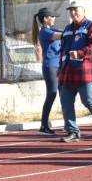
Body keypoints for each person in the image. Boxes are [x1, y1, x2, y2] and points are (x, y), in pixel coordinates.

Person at [57, 1, 92, 143]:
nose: (73, 13)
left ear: (84, 11)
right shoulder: (67, 29)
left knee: (89, 100)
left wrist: (80, 53)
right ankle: (73, 131)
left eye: (76, 10)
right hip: (67, 71)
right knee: (66, 101)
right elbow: (63, 50)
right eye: (71, 10)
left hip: (85, 71)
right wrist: (60, 67)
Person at [32, 7, 61, 135]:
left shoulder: (51, 29)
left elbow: (62, 32)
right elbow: (61, 35)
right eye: (52, 16)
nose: (54, 19)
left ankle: (68, 124)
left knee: (62, 93)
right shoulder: (45, 32)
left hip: (57, 66)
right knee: (52, 94)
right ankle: (44, 125)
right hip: (50, 67)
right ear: (45, 19)